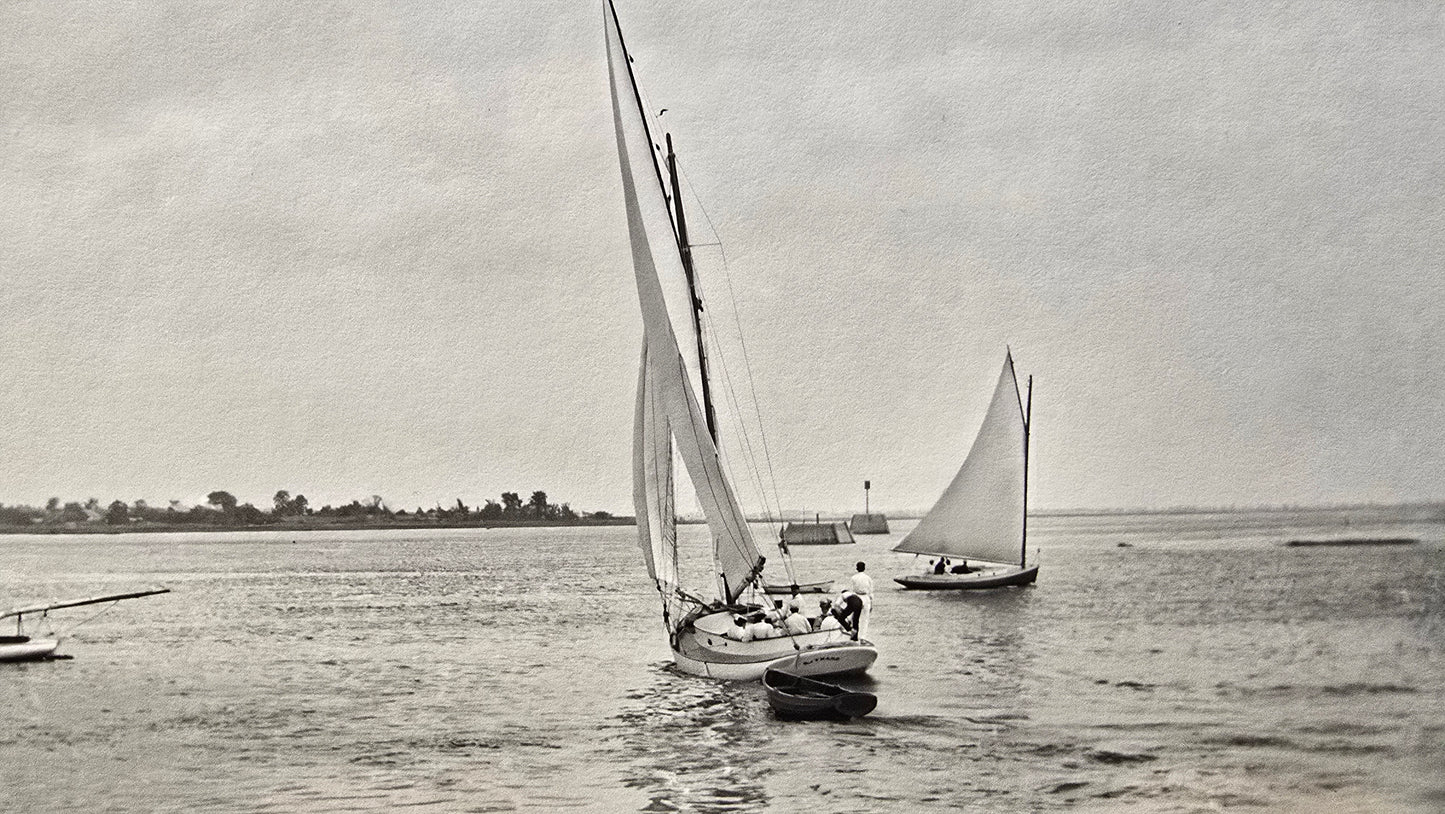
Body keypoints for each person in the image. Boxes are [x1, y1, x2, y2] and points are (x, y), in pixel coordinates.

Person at [848, 562, 874, 639]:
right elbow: (871, 592)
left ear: (857, 568)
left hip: (856, 596)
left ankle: (855, 635)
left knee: (855, 618)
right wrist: (871, 604)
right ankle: (863, 637)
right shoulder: (868, 578)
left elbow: (851, 591)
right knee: (865, 619)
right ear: (864, 568)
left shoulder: (853, 578)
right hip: (866, 597)